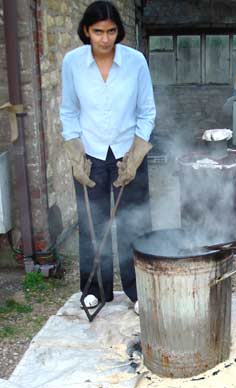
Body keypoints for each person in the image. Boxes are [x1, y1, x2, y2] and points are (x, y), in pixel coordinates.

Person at [60, 1, 156, 313]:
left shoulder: (135, 61)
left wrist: (138, 150)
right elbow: (69, 110)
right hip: (91, 154)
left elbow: (147, 110)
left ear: (119, 31)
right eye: (98, 31)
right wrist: (74, 150)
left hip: (129, 153)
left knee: (135, 224)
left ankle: (138, 291)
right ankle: (95, 289)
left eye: (111, 31)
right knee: (92, 224)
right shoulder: (72, 63)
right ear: (86, 31)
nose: (105, 38)